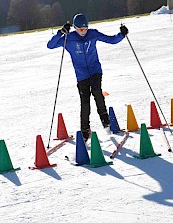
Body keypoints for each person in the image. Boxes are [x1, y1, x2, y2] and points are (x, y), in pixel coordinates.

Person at [47, 13, 129, 141]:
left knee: (97, 92)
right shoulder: (69, 38)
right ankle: (85, 130)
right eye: (80, 29)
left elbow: (111, 40)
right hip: (81, 75)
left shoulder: (93, 34)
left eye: (85, 29)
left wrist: (122, 35)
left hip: (95, 70)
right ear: (75, 28)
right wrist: (61, 33)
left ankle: (105, 119)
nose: (83, 32)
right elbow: (50, 45)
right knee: (85, 102)